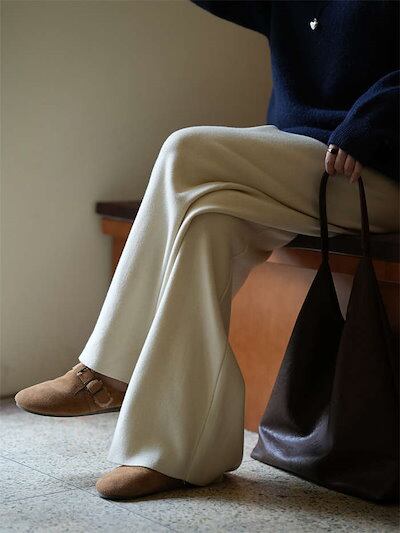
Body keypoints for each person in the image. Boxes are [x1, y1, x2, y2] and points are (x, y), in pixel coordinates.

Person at [15, 0, 399, 500]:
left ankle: (106, 372)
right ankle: (179, 454)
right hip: (300, 160)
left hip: (376, 169)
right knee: (207, 224)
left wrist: (369, 124)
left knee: (184, 150)